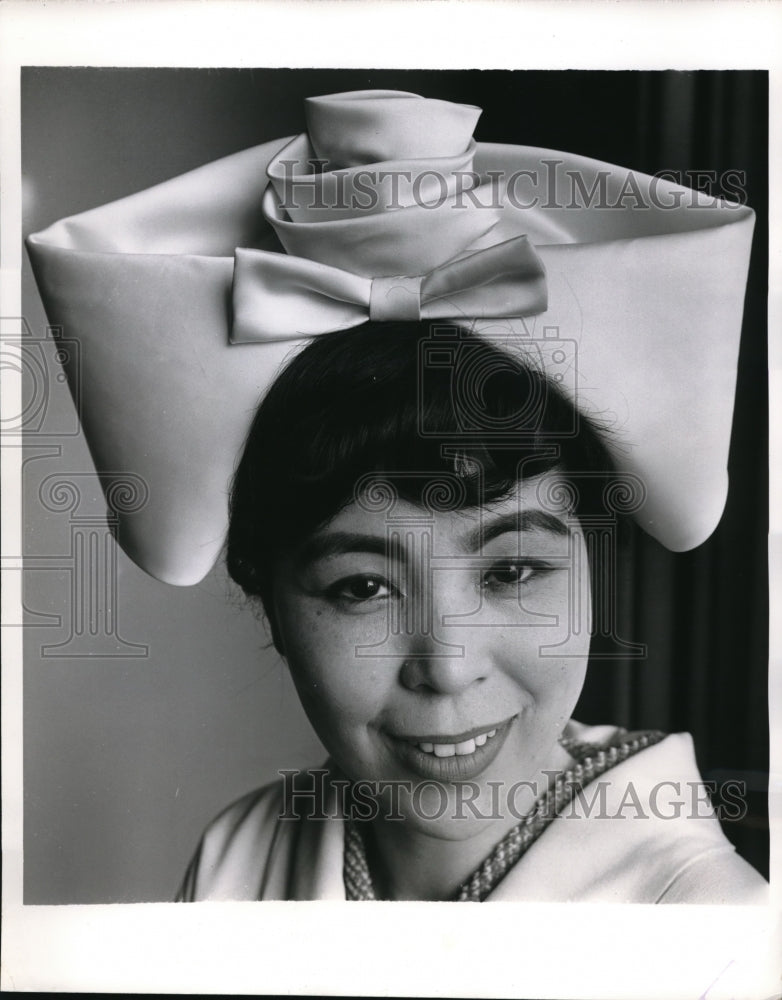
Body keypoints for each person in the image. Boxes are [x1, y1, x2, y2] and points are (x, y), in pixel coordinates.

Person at [26, 88, 767, 903]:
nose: (447, 668)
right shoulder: (237, 861)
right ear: (266, 595)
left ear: (593, 556)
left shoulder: (710, 920)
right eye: (362, 587)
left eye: (513, 571)